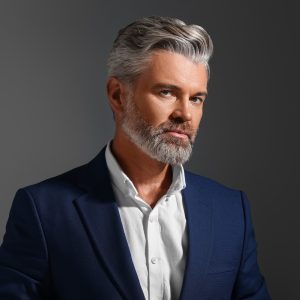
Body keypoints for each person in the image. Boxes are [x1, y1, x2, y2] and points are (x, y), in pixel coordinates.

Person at [0, 16, 271, 299]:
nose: (185, 114)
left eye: (196, 98)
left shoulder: (231, 211)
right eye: (167, 92)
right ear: (118, 96)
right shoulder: (43, 211)